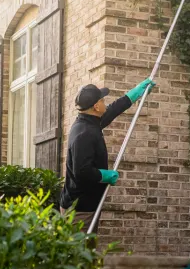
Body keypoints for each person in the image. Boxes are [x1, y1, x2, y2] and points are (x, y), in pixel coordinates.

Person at [60, 79, 155, 230]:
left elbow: (113, 110)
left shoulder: (89, 121)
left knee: (86, 251)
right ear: (96, 106)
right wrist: (105, 176)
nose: (105, 103)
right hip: (79, 211)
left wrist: (135, 93)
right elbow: (82, 171)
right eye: (102, 100)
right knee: (80, 252)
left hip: (85, 205)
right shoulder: (84, 134)